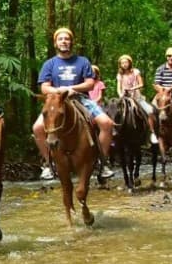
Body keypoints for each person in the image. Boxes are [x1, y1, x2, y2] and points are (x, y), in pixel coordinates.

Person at [32, 27, 115, 180]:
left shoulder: (83, 61)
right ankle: (48, 163)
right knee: (37, 128)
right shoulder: (49, 64)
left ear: (71, 42)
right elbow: (44, 87)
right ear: (56, 43)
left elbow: (90, 83)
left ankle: (101, 162)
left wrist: (72, 89)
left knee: (107, 123)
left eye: (67, 39)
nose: (64, 41)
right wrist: (60, 91)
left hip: (80, 99)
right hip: (57, 102)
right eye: (60, 39)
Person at [116, 54, 159, 144]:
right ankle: (115, 133)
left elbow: (141, 84)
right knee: (113, 111)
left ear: (129, 63)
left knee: (149, 111)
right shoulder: (120, 75)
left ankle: (152, 132)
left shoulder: (135, 72)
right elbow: (118, 88)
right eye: (122, 63)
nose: (124, 64)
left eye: (126, 62)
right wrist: (121, 95)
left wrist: (132, 88)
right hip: (125, 98)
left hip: (137, 98)